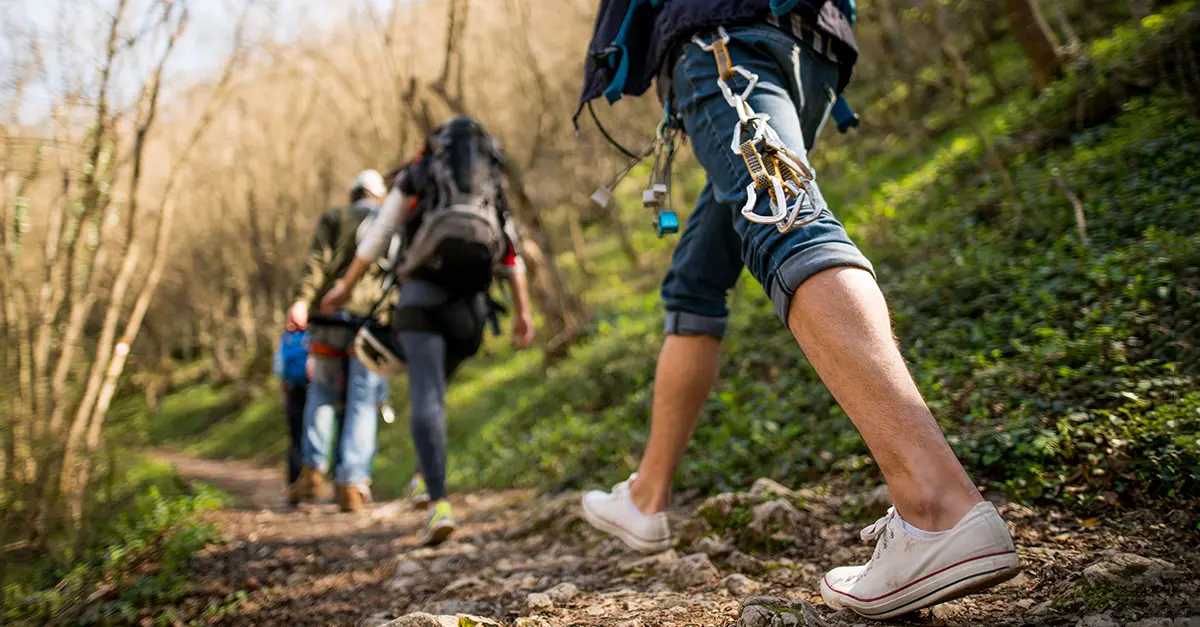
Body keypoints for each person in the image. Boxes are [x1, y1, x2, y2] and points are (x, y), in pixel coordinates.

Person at [573, 1, 1021, 620]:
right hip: (809, 48)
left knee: (786, 221)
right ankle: (646, 498)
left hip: (727, 42)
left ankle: (936, 504)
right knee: (698, 280)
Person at [323, 116, 535, 546]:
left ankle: (438, 501)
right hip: (471, 310)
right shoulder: (487, 177)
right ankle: (424, 475)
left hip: (421, 299)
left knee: (427, 396)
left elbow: (378, 236)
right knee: (436, 392)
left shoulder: (417, 174)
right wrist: (522, 313)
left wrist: (344, 288)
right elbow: (511, 251)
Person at [287, 170, 394, 513]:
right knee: (363, 402)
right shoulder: (391, 218)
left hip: (328, 319)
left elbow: (316, 262)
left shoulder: (334, 217)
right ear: (379, 195)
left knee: (321, 395)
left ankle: (312, 472)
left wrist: (302, 300)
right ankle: (351, 481)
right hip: (371, 323)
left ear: (354, 193)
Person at [272, 327, 309, 487]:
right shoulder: (310, 337)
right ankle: (303, 481)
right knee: (305, 436)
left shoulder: (285, 340)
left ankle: (296, 482)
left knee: (296, 437)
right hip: (310, 390)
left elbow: (278, 368)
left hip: (293, 390)